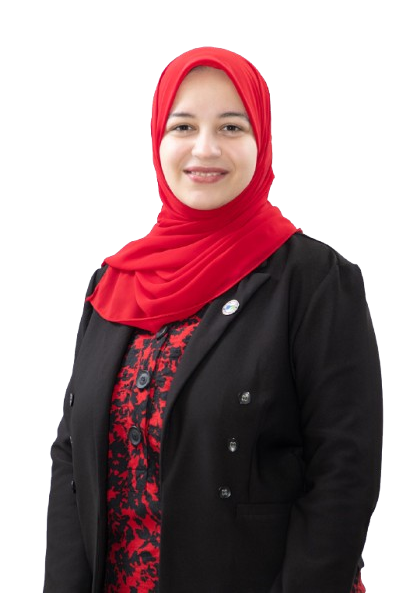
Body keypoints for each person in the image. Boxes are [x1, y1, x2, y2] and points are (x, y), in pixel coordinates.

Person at [43, 46, 383, 593]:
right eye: (183, 126)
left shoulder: (313, 280)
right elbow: (71, 455)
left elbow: (345, 469)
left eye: (231, 126)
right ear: (158, 139)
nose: (205, 148)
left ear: (261, 140)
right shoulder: (116, 281)